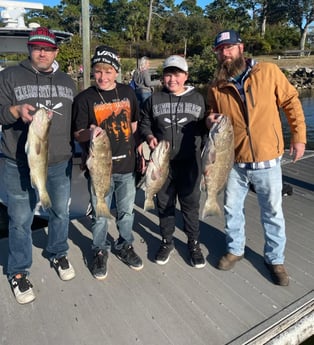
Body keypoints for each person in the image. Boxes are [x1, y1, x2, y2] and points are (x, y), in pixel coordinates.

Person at [207, 30, 307, 286]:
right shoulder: (216, 86)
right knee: (231, 209)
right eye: (220, 50)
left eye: (229, 47)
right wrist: (210, 119)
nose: (225, 53)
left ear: (240, 48)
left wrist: (299, 137)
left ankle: (275, 259)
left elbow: (291, 102)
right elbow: (211, 113)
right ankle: (235, 249)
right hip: (234, 161)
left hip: (267, 159)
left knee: (273, 212)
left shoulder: (268, 72)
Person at [0, 27, 77, 304]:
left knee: (60, 212)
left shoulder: (69, 82)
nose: (42, 52)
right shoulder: (8, 76)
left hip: (59, 163)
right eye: (36, 47)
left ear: (56, 51)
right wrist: (14, 111)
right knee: (20, 220)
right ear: (29, 49)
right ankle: (18, 271)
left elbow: (73, 123)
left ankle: (57, 252)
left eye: (47, 48)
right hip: (17, 162)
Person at [72, 45, 143, 280]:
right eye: (98, 71)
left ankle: (125, 245)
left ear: (116, 72)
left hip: (126, 167)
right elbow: (77, 133)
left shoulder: (128, 93)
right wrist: (89, 133)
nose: (103, 76)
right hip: (100, 169)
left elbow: (134, 126)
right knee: (100, 215)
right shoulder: (84, 98)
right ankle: (100, 249)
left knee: (126, 212)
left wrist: (139, 151)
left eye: (108, 71)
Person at [139, 55, 207, 268]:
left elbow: (206, 130)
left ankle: (193, 243)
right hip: (162, 164)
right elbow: (144, 123)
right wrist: (149, 136)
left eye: (177, 74)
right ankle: (166, 241)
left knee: (190, 205)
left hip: (189, 163)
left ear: (185, 76)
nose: (172, 79)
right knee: (164, 203)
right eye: (168, 74)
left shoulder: (198, 99)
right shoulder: (153, 99)